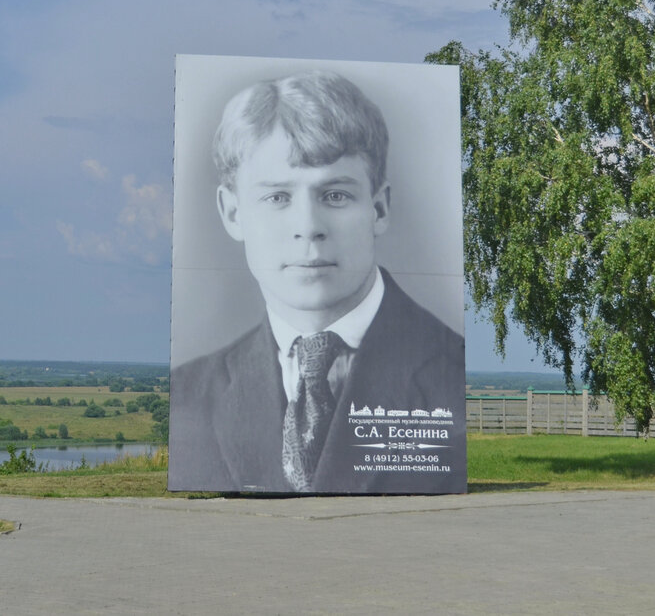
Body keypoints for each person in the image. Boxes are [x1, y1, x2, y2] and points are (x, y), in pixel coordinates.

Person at [169, 70, 465, 494]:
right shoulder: (190, 395)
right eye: (277, 197)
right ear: (233, 213)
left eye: (335, 195)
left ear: (378, 209)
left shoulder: (451, 370)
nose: (308, 227)